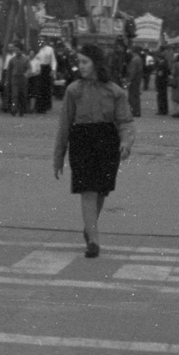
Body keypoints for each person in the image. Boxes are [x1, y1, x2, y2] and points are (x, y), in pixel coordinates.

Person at [52, 44, 134, 259]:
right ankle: (94, 240)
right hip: (82, 140)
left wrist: (126, 142)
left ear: (96, 63)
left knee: (100, 190)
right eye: (79, 62)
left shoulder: (115, 91)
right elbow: (64, 124)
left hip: (107, 141)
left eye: (84, 61)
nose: (80, 66)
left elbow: (125, 121)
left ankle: (90, 228)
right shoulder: (73, 90)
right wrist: (58, 156)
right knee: (88, 189)